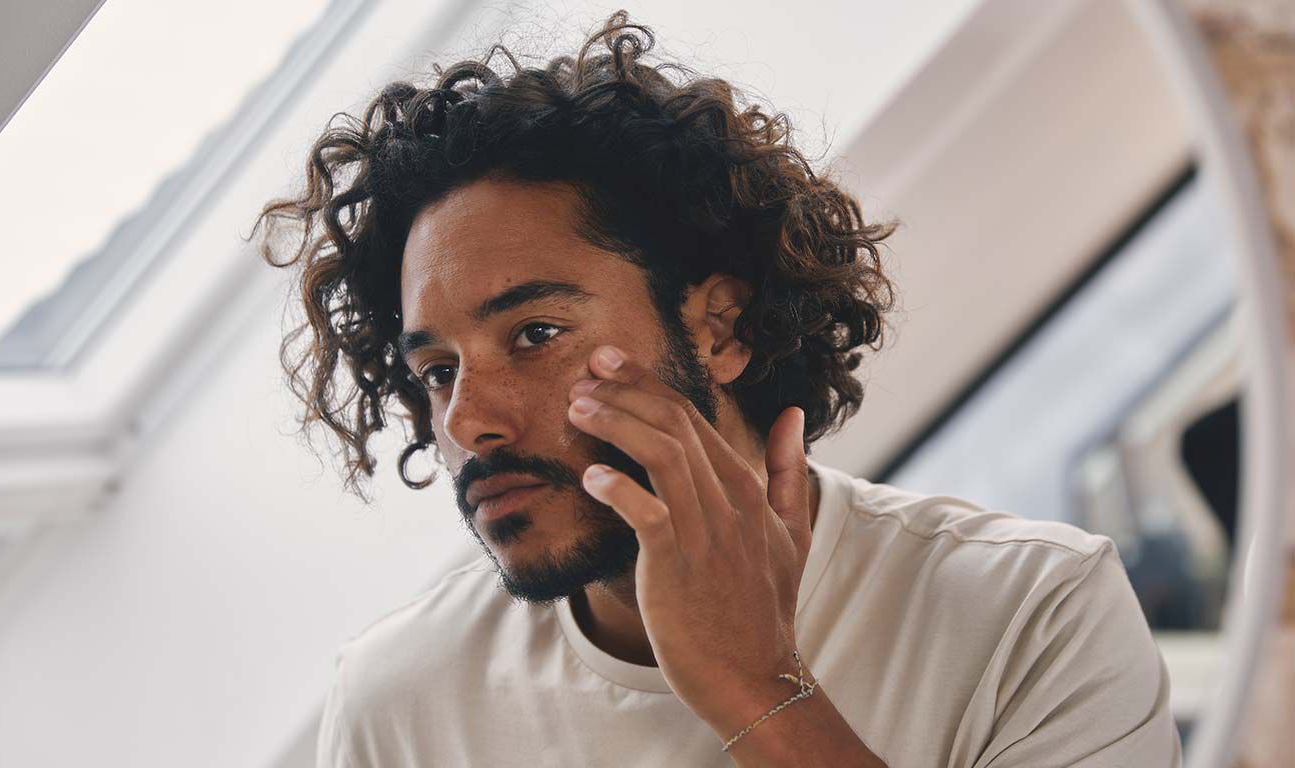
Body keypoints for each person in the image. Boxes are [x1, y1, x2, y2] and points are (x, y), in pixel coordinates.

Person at [255, 11, 1182, 767]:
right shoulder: (403, 705)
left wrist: (755, 687)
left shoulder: (1030, 614)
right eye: (438, 371)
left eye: (535, 335)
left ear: (719, 327)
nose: (469, 420)